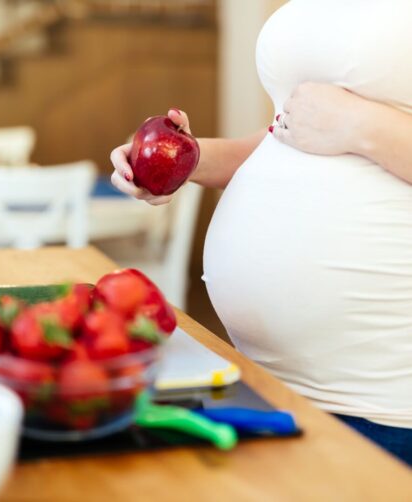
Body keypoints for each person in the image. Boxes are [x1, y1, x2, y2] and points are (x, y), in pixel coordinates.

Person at [111, 0, 412, 465]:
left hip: (381, 406)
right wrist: (182, 158)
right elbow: (288, 134)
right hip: (264, 381)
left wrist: (361, 125)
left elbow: (342, 125)